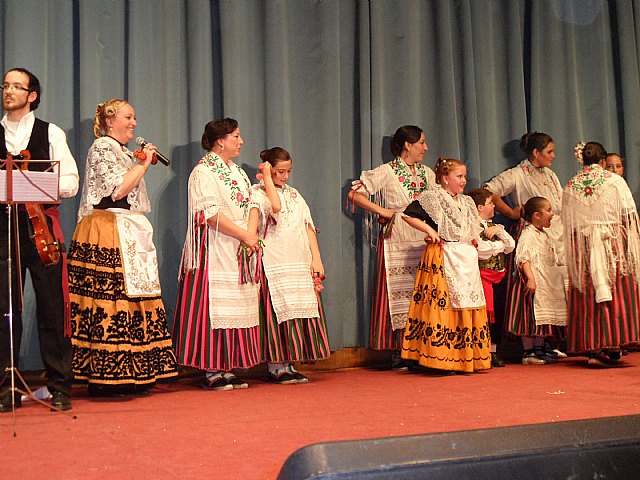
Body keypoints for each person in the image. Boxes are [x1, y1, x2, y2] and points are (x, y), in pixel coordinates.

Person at [68, 99, 177, 396]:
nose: (134, 123)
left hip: (127, 228)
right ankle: (106, 375)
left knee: (133, 298)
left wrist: (139, 162)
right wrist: (142, 164)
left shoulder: (124, 152)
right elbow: (118, 188)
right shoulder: (102, 147)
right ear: (110, 121)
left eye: (134, 117)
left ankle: (134, 371)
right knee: (112, 297)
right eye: (129, 117)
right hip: (105, 228)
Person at [0, 68, 79, 412]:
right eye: (5, 85)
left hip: (40, 228)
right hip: (2, 230)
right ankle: (6, 387)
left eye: (17, 86)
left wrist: (30, 184)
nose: (8, 90)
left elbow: (71, 182)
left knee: (51, 306)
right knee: (4, 310)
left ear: (32, 95)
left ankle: (59, 385)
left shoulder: (50, 132)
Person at [173, 118, 261, 391]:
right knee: (212, 305)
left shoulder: (237, 172)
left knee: (236, 306)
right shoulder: (203, 172)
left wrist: (250, 233)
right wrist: (244, 234)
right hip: (213, 247)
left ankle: (227, 365)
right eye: (236, 136)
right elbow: (209, 214)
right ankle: (211, 368)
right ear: (220, 140)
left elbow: (253, 204)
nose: (241, 141)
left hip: (236, 246)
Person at [348, 125, 435, 371]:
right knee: (399, 294)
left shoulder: (427, 173)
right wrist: (383, 211)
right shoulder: (387, 172)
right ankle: (399, 350)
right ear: (408, 145)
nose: (425, 148)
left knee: (423, 292)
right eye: (422, 143)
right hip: (397, 238)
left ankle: (423, 347)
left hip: (423, 239)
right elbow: (355, 194)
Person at [248, 147, 330, 384]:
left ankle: (290, 362)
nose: (284, 176)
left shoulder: (295, 194)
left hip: (298, 258)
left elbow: (307, 226)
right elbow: (275, 208)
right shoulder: (257, 193)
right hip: (274, 260)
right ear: (268, 169)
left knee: (298, 312)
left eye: (288, 172)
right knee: (278, 314)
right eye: (280, 172)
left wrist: (316, 258)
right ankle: (276, 365)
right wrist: (266, 180)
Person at [401, 157, 491, 374]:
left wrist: (474, 239)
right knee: (442, 306)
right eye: (458, 176)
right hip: (443, 256)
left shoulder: (466, 201)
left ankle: (464, 356)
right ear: (444, 178)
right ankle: (441, 358)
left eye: (464, 176)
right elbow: (407, 214)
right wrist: (430, 231)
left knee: (467, 302)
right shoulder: (433, 197)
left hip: (464, 257)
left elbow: (470, 226)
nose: (463, 181)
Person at [562, 141, 640, 367]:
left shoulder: (571, 184)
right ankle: (614, 344)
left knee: (587, 292)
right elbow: (628, 214)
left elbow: (568, 222)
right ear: (603, 161)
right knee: (615, 289)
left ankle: (593, 347)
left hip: (583, 246)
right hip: (611, 242)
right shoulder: (615, 182)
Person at [506, 196, 567, 364]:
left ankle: (540, 349)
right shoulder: (528, 234)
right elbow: (523, 257)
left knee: (540, 319)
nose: (552, 213)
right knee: (529, 318)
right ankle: (529, 352)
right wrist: (531, 279)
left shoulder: (543, 234)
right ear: (536, 215)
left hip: (544, 281)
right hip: (531, 283)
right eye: (548, 210)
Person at [467, 188, 515, 367]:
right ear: (480, 207)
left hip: (498, 276)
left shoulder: (493, 226)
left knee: (497, 316)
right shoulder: (472, 226)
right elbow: (480, 250)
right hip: (481, 277)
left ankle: (493, 351)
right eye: (490, 203)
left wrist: (500, 230)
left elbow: (510, 245)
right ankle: (480, 351)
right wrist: (499, 247)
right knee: (484, 316)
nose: (494, 206)